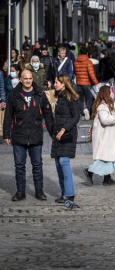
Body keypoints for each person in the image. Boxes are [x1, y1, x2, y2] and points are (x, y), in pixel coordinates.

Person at [2, 69, 54, 201]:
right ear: (21, 79)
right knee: (19, 166)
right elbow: (8, 116)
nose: (28, 81)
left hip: (35, 135)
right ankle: (20, 192)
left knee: (37, 165)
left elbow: (48, 114)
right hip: (19, 135)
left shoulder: (40, 94)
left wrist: (53, 131)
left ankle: (39, 190)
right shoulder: (14, 94)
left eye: (30, 78)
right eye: (25, 78)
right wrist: (6, 134)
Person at [83, 86, 115, 186]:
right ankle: (89, 171)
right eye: (110, 92)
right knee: (104, 158)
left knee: (110, 157)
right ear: (105, 93)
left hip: (110, 136)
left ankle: (107, 178)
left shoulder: (109, 104)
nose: (112, 94)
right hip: (105, 137)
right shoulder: (102, 106)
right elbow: (105, 120)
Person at [51, 74, 81, 204]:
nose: (55, 84)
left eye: (57, 82)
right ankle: (64, 193)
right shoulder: (59, 97)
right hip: (58, 135)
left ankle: (69, 194)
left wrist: (64, 129)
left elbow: (76, 117)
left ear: (64, 84)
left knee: (64, 162)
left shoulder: (70, 97)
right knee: (58, 163)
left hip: (67, 134)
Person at [74, 47, 99, 120]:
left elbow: (75, 72)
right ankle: (87, 110)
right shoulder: (88, 62)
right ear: (87, 53)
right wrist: (96, 83)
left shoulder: (75, 62)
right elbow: (91, 74)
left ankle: (82, 113)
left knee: (80, 99)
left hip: (78, 83)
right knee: (89, 98)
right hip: (87, 83)